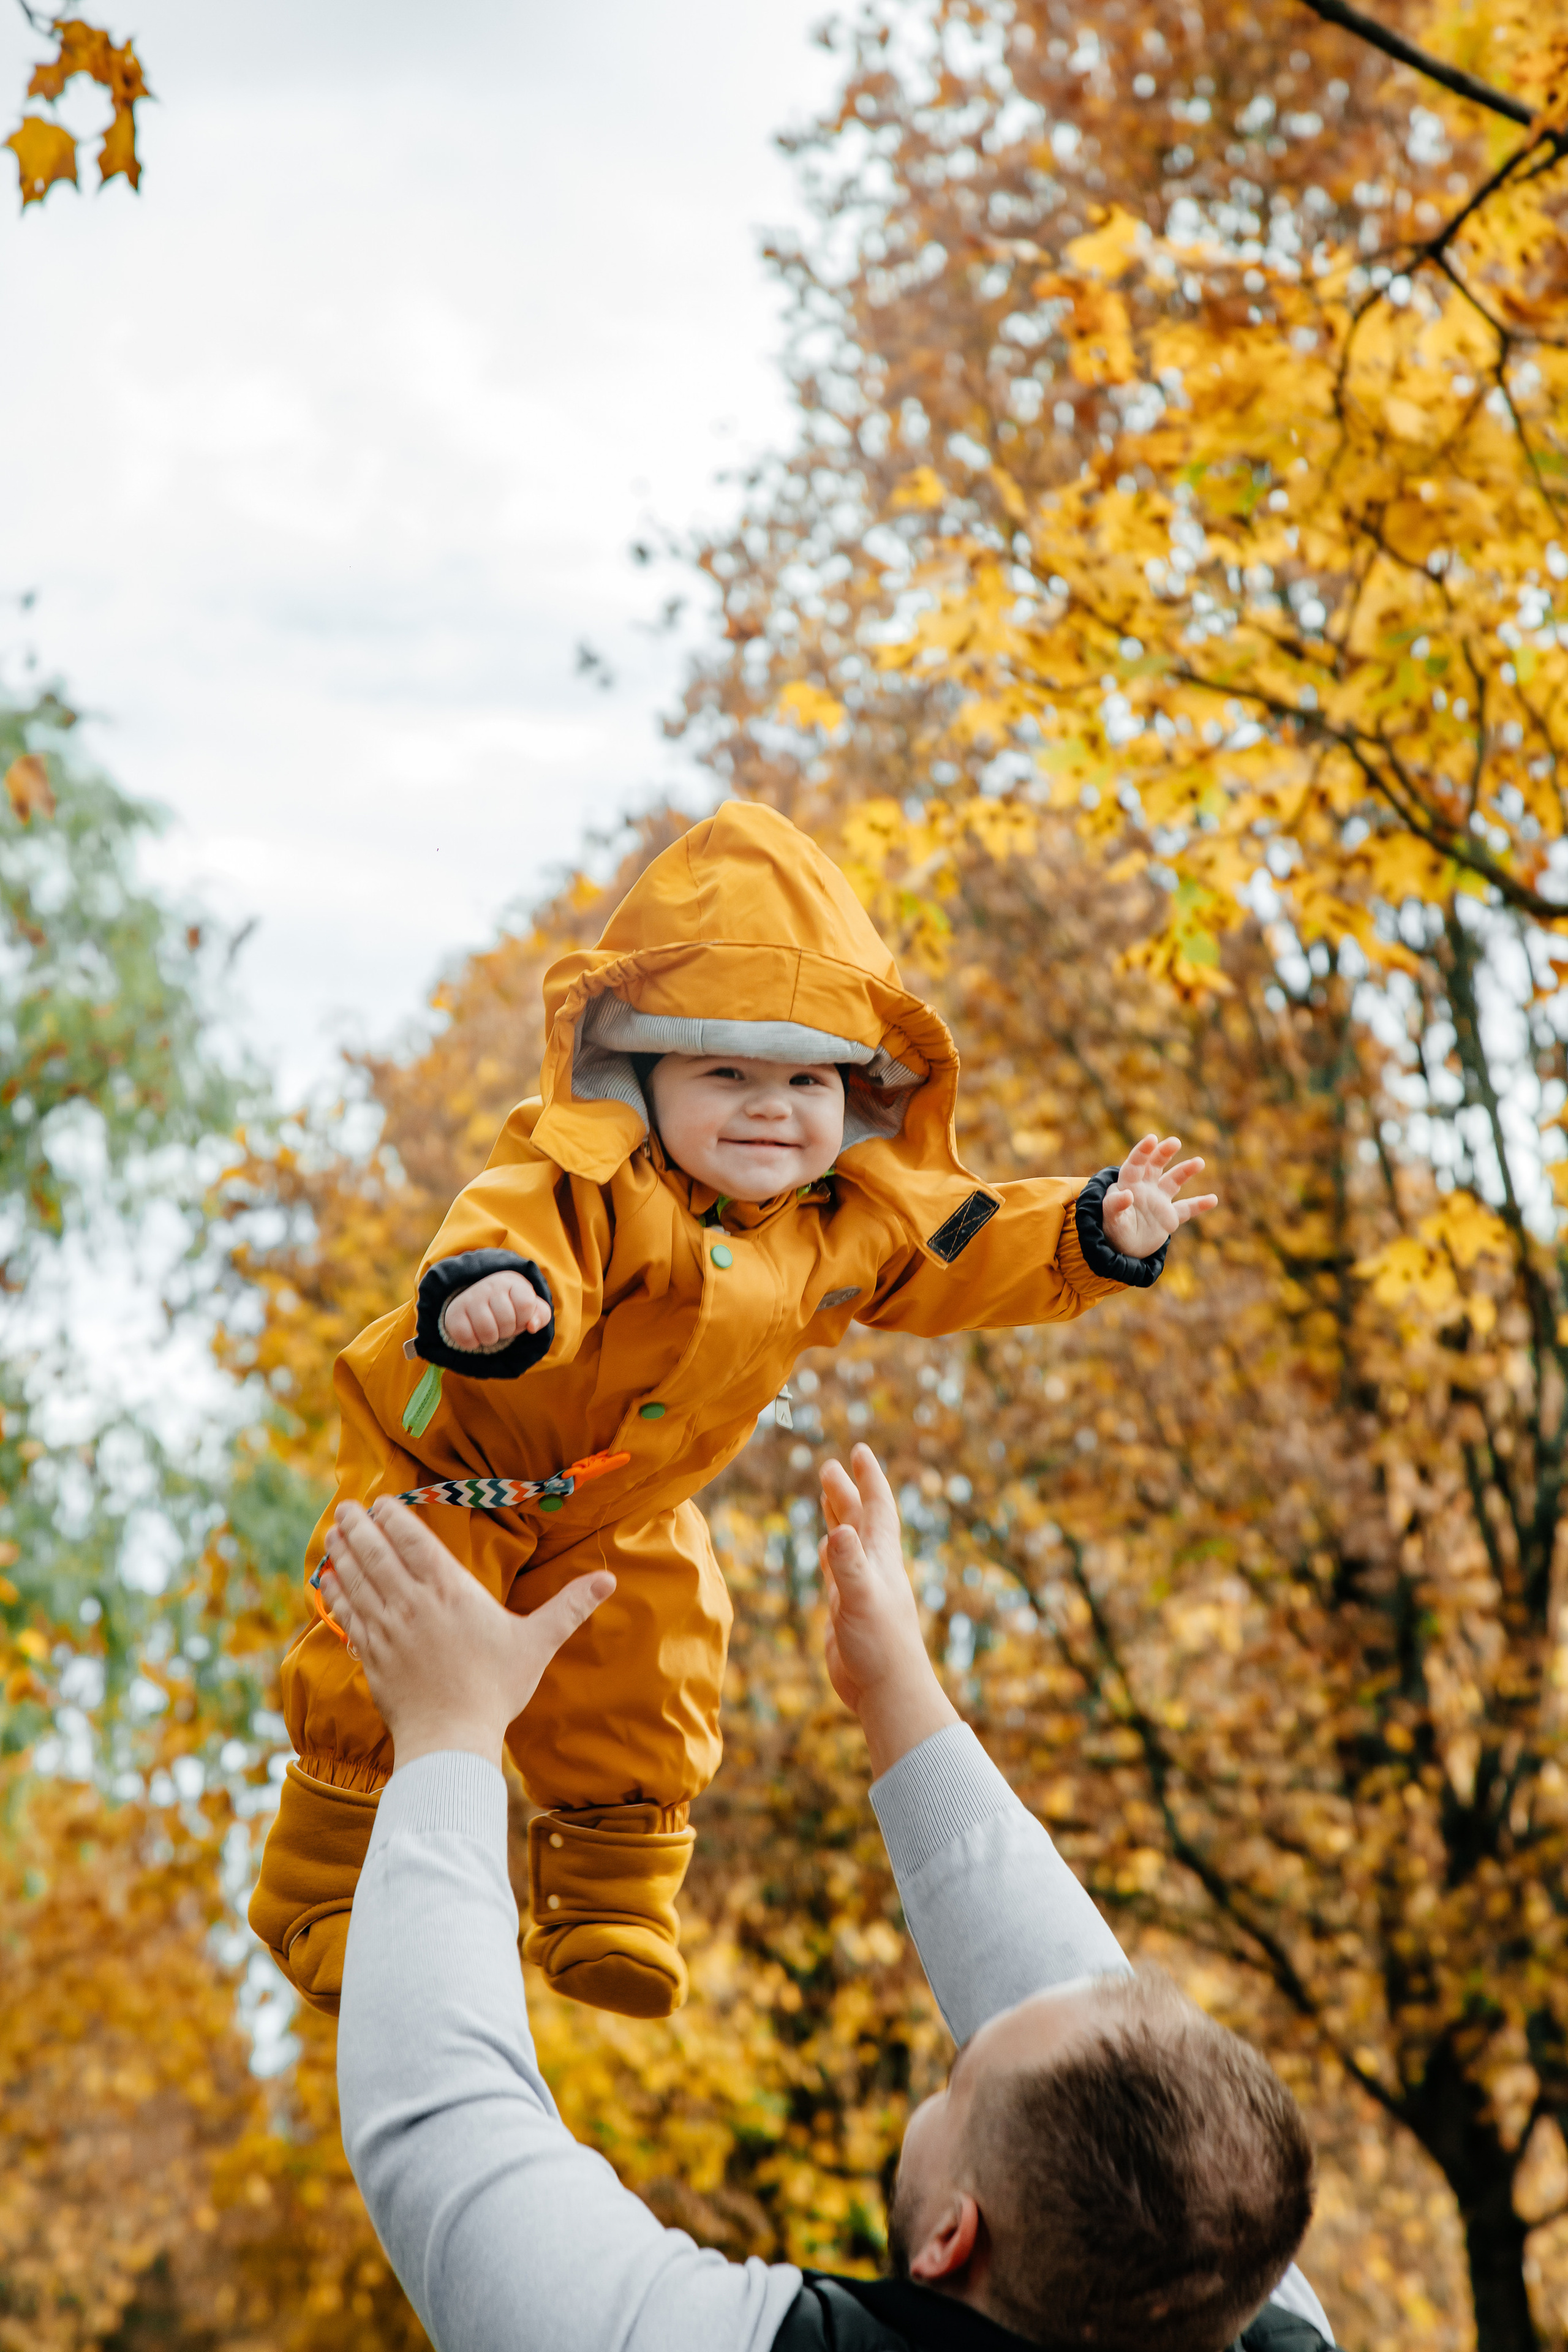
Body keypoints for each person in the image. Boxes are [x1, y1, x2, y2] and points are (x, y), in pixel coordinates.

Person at [251, 801, 1218, 2022]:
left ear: (856, 1094)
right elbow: (513, 1227)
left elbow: (962, 1242)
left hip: (622, 1503)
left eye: (804, 1080)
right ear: (642, 1074)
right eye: (726, 1073)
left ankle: (608, 1895)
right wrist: (498, 1296)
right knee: (383, 1652)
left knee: (658, 1658)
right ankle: (332, 1891)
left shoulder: (844, 1220)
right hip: (459, 1469)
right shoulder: (592, 1172)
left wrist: (1091, 1231)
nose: (770, 1108)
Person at [320, 1442, 1335, 2352]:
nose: (972, 2034)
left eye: (962, 2074)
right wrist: (900, 1690)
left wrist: (448, 1726)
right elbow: (1120, 2072)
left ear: (951, 2239)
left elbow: (447, 2121)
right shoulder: (1224, 2287)